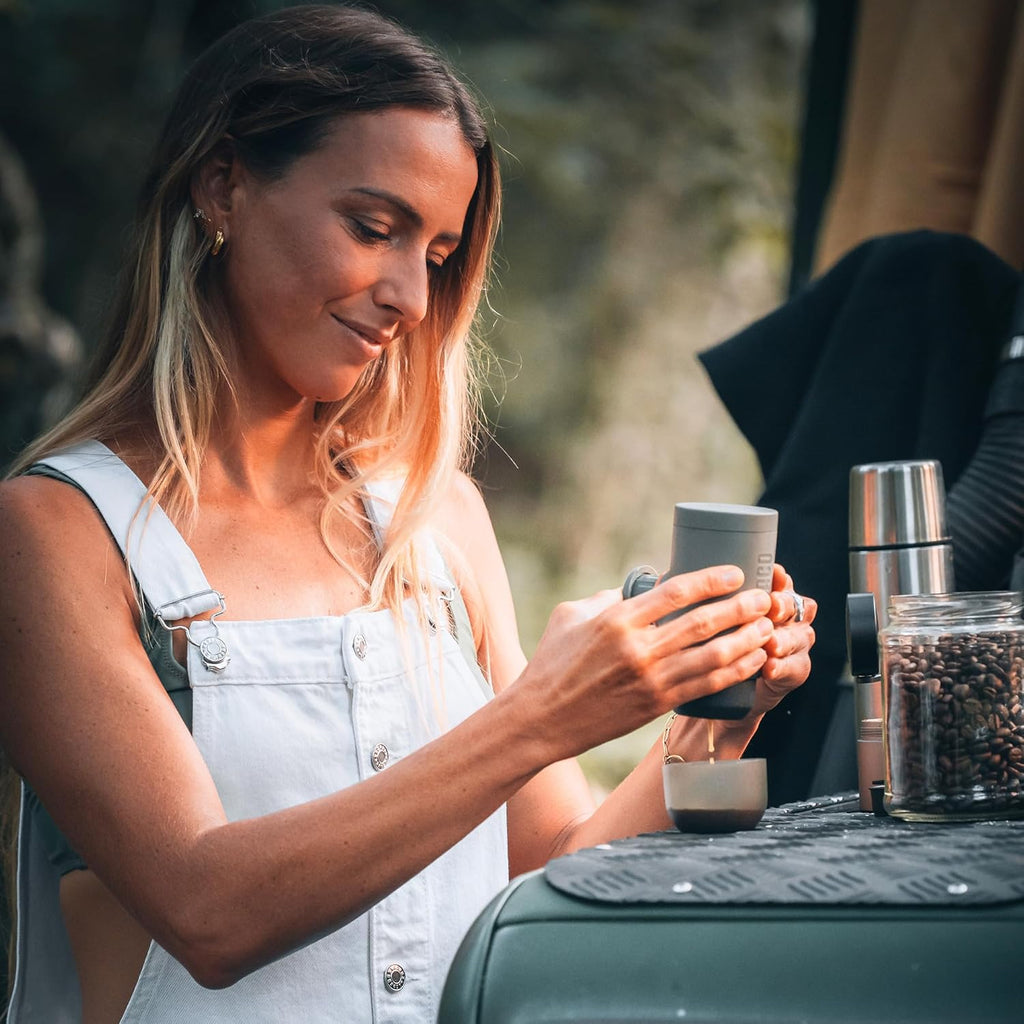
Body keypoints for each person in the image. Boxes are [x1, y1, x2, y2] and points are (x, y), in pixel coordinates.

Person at [0, 6, 817, 1023]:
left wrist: (706, 713)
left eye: (435, 253)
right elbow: (205, 908)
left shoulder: (435, 522)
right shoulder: (55, 532)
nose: (411, 299)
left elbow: (556, 869)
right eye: (372, 227)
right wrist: (539, 715)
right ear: (222, 187)